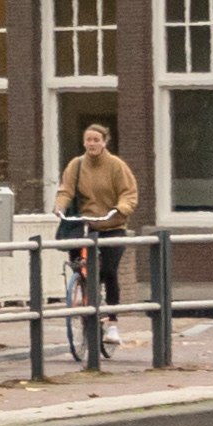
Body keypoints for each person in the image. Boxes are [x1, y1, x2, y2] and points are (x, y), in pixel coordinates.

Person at [52, 114, 145, 306]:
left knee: (110, 272)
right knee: (77, 261)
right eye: (88, 140)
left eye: (96, 140)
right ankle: (81, 287)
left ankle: (112, 322)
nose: (92, 144)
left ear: (104, 142)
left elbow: (128, 193)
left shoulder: (116, 166)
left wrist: (120, 209)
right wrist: (59, 206)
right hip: (86, 223)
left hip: (112, 225)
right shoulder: (76, 165)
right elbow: (66, 190)